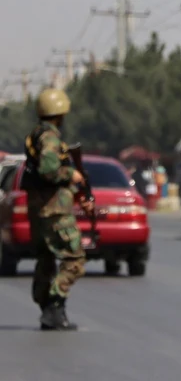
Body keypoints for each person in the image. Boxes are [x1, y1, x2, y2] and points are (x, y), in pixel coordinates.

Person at [21, 88, 93, 331]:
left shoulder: (36, 135)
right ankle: (54, 303)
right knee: (76, 260)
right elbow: (49, 171)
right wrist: (70, 174)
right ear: (60, 113)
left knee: (46, 258)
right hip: (55, 213)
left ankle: (46, 308)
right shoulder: (50, 138)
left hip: (39, 210)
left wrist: (76, 193)